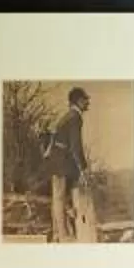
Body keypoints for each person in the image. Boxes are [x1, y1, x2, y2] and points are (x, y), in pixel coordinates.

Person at [42, 86, 93, 243]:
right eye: (85, 100)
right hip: (61, 163)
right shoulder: (75, 117)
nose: (88, 103)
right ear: (78, 101)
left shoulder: (68, 116)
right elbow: (75, 145)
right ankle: (62, 235)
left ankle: (59, 233)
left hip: (59, 162)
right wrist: (83, 167)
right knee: (59, 198)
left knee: (59, 198)